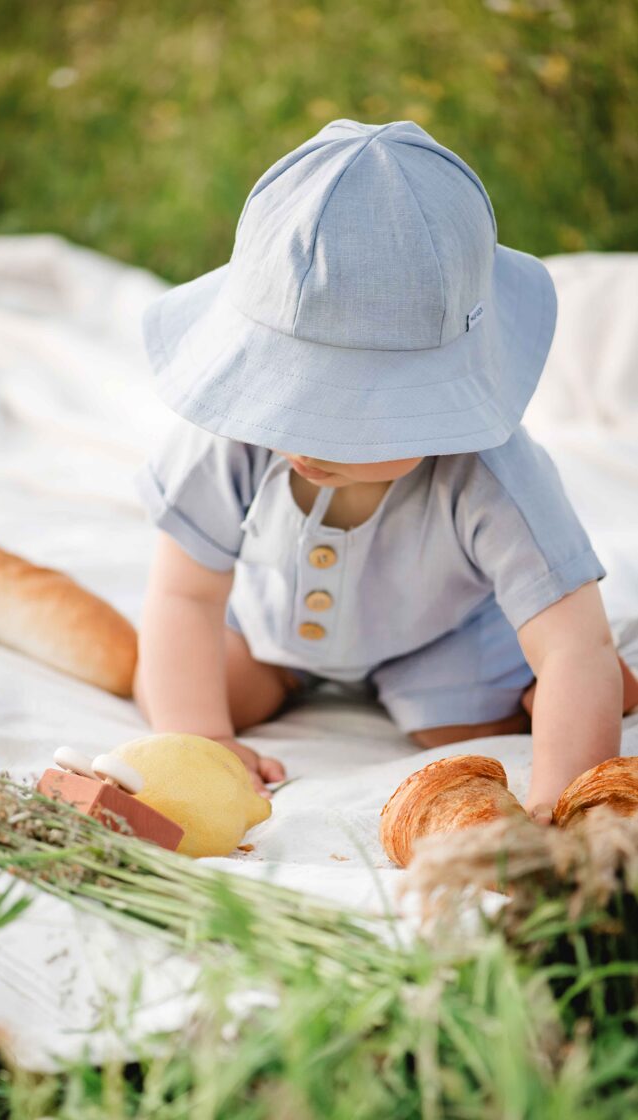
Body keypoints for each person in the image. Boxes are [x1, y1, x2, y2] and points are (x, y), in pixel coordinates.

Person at [131, 119, 638, 825]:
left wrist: (557, 805)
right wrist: (203, 741)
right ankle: (256, 694)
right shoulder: (230, 438)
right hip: (275, 629)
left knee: (460, 732)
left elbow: (571, 640)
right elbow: (185, 595)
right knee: (173, 691)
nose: (301, 437)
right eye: (282, 397)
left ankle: (554, 692)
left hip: (439, 639)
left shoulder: (490, 474)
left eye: (344, 412)